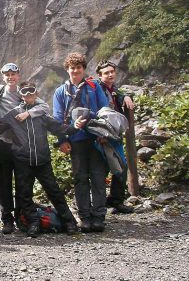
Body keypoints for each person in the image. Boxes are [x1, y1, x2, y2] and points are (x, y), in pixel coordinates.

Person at [0, 81, 82, 237]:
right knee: (24, 194)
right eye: (25, 92)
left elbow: (59, 129)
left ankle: (69, 222)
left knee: (54, 191)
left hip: (42, 160)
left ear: (36, 93)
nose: (28, 95)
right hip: (23, 161)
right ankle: (33, 223)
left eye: (31, 91)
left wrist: (75, 126)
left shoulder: (42, 114)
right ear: (21, 95)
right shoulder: (13, 114)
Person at [0, 63, 50, 234]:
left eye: (13, 74)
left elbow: (44, 107)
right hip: (2, 143)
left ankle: (21, 216)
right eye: (7, 74)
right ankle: (7, 219)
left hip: (21, 144)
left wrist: (28, 113)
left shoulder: (24, 93)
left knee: (23, 182)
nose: (10, 77)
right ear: (3, 77)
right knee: (4, 183)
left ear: (18, 75)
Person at [53, 52, 109, 232]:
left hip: (95, 138)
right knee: (80, 179)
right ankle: (85, 217)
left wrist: (104, 133)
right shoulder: (61, 92)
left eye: (78, 68)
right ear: (67, 70)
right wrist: (62, 140)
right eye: (72, 68)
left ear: (84, 69)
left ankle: (99, 217)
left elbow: (104, 110)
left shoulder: (94, 87)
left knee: (98, 178)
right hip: (76, 140)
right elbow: (57, 118)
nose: (75, 71)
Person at [95, 61, 134, 214]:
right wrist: (101, 133)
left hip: (115, 135)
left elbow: (117, 93)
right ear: (100, 75)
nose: (110, 75)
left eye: (112, 72)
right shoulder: (96, 89)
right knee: (104, 168)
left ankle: (114, 199)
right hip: (103, 136)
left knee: (120, 167)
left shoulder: (113, 89)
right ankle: (98, 202)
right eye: (106, 73)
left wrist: (125, 96)